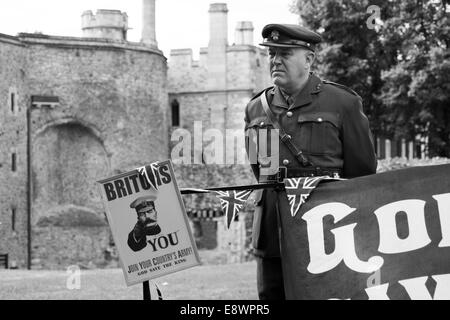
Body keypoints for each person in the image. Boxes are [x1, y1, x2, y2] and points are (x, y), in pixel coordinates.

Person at [244, 24, 377, 300]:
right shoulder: (257, 108)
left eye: (285, 53)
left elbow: (362, 173)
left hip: (326, 234)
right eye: (271, 53)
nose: (275, 60)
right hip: (273, 236)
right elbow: (262, 170)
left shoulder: (342, 103)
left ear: (309, 58)